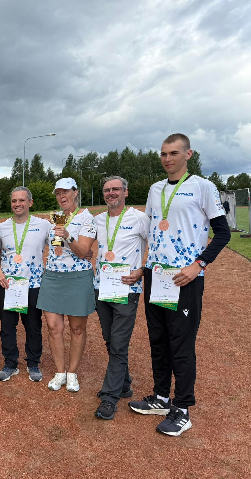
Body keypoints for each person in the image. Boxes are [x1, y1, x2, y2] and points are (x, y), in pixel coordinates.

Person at [129, 133, 230, 436]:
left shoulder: (203, 187)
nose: (167, 159)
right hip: (156, 275)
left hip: (185, 277)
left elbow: (223, 233)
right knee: (158, 339)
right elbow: (152, 231)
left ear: (188, 154)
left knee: (181, 343)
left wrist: (198, 265)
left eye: (173, 153)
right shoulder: (155, 189)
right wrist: (143, 265)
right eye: (163, 154)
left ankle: (182, 408)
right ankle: (161, 398)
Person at [93, 176, 149, 420]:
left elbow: (158, 246)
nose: (111, 193)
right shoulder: (97, 220)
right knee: (109, 339)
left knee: (118, 342)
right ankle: (124, 384)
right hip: (102, 287)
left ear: (126, 192)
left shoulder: (139, 218)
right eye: (107, 190)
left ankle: (110, 397)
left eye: (116, 189)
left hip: (127, 289)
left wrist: (142, 270)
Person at [37, 177, 97, 392]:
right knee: (54, 327)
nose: (62, 196)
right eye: (58, 193)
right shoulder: (56, 218)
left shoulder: (87, 218)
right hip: (53, 277)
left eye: (65, 192)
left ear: (75, 192)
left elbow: (83, 251)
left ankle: (72, 373)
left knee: (77, 329)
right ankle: (60, 372)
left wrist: (69, 237)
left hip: (78, 278)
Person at [0, 187, 51, 382]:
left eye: (22, 200)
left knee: (33, 325)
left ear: (30, 203)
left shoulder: (44, 225)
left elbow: (58, 246)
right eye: (14, 201)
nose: (17, 204)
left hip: (33, 285)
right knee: (7, 326)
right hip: (8, 285)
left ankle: (33, 362)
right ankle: (10, 363)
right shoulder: (2, 227)